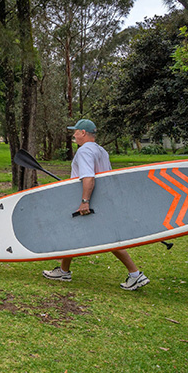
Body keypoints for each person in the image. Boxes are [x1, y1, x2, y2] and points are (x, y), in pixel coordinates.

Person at [42, 119, 151, 291]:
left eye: (76, 132)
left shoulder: (84, 151)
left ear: (83, 133)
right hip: (102, 199)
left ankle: (135, 274)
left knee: (106, 238)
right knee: (72, 232)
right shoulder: (101, 151)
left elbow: (88, 177)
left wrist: (85, 201)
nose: (74, 135)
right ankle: (64, 270)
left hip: (90, 201)